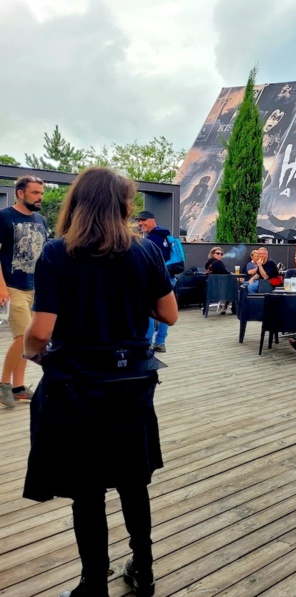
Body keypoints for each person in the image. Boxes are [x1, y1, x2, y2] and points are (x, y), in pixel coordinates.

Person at [22, 167, 178, 597]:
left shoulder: (57, 253)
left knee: (87, 490)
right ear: (122, 205)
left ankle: (93, 582)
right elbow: (169, 314)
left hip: (76, 388)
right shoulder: (145, 251)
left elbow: (40, 332)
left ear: (77, 203)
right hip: (131, 384)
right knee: (133, 481)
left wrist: (29, 354)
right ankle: (143, 570)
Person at [0, 175, 48, 408]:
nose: (40, 197)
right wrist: (1, 287)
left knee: (28, 340)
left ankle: (19, 387)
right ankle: (3, 386)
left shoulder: (41, 219)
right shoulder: (4, 217)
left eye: (41, 193)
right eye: (35, 193)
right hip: (11, 286)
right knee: (21, 338)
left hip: (35, 287)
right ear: (21, 193)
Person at [136, 211, 173, 353]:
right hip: (169, 277)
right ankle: (161, 342)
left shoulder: (151, 239)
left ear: (153, 220)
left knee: (148, 310)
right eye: (139, 221)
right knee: (164, 310)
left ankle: (148, 342)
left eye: (143, 220)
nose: (140, 223)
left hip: (154, 279)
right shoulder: (166, 236)